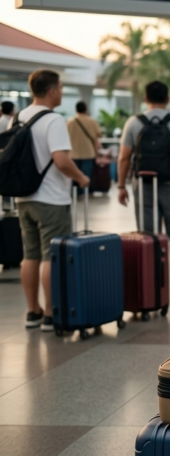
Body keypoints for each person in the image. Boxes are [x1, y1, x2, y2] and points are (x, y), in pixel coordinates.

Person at [16, 70, 90, 331]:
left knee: (30, 255)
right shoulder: (53, 119)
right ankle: (50, 314)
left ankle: (32, 312)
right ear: (52, 91)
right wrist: (81, 177)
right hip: (51, 199)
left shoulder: (19, 116)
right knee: (51, 256)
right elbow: (61, 160)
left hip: (23, 197)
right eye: (60, 87)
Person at [117, 81, 170, 298]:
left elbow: (124, 158)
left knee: (147, 234)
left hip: (144, 185)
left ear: (146, 98)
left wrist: (120, 186)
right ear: (167, 99)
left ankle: (150, 282)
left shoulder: (133, 123)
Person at [67, 101, 102, 194]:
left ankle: (76, 195)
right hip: (88, 153)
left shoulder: (69, 122)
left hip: (73, 154)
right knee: (86, 177)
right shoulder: (92, 121)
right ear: (86, 109)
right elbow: (98, 135)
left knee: (75, 176)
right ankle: (85, 194)